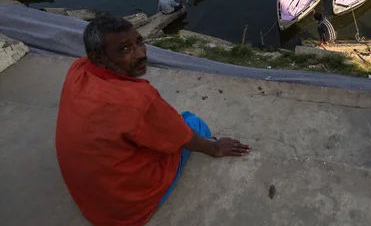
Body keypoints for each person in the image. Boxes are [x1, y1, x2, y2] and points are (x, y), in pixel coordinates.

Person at [55, 15, 250, 226]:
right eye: (125, 50)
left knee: (161, 123)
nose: (140, 54)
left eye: (139, 42)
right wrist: (214, 148)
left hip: (92, 202)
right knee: (192, 123)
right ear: (99, 58)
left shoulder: (77, 69)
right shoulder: (138, 100)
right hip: (125, 210)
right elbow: (182, 136)